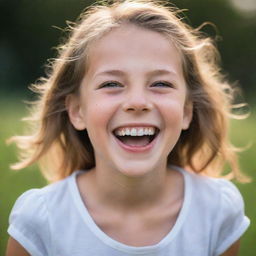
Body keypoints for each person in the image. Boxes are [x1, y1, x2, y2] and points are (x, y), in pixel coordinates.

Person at [6, 0, 250, 255]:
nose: (137, 103)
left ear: (186, 112)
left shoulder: (218, 210)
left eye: (161, 84)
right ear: (77, 111)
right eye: (111, 84)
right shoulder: (40, 220)